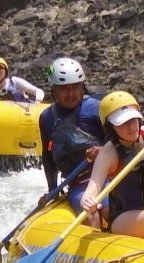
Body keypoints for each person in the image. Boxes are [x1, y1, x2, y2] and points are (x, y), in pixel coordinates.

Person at [80, 91, 144, 241]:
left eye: (133, 119)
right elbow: (90, 192)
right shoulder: (109, 153)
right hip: (125, 219)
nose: (131, 126)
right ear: (110, 127)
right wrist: (88, 202)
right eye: (123, 123)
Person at [39, 57, 105, 211]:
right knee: (90, 213)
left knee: (107, 208)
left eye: (75, 87)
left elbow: (118, 143)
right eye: (63, 88)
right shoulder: (47, 118)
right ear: (53, 91)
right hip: (78, 183)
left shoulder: (96, 109)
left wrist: (102, 151)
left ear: (83, 87)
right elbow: (48, 157)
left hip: (106, 177)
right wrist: (52, 190)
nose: (70, 93)